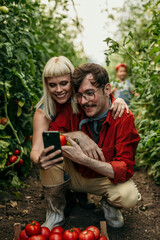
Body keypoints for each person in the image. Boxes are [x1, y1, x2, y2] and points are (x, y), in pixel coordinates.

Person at [30, 57, 129, 230]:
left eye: (64, 83)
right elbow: (37, 149)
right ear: (46, 86)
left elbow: (103, 98)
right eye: (52, 85)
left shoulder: (81, 101)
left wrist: (118, 101)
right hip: (67, 160)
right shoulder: (44, 111)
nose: (59, 90)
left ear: (73, 82)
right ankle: (57, 208)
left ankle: (83, 194)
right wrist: (40, 159)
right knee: (52, 152)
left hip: (84, 161)